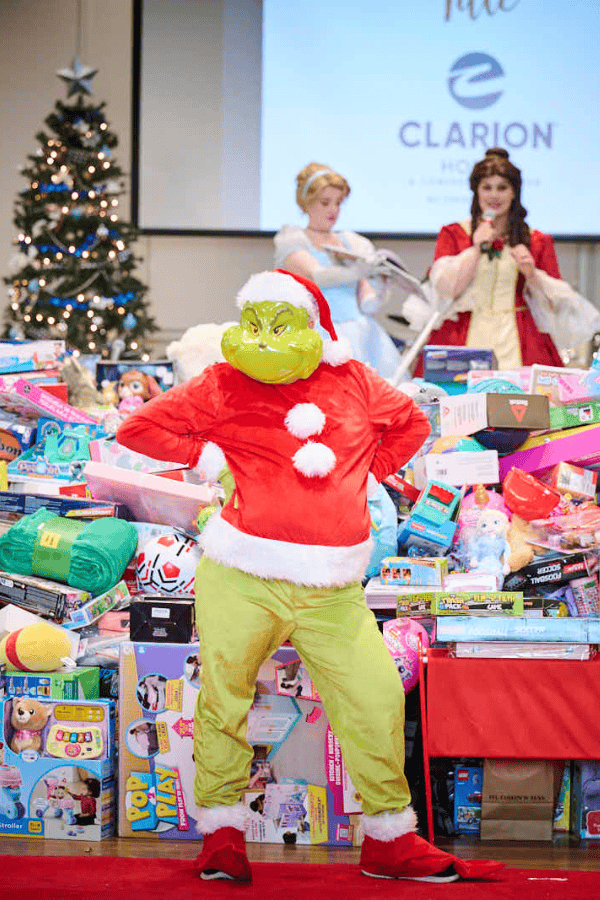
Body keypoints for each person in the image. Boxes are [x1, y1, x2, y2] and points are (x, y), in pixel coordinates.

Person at [116, 269, 502, 885]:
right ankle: (222, 835)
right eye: (257, 322)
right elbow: (137, 428)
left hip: (333, 586)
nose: (267, 338)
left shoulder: (352, 377)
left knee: (374, 698)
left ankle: (389, 839)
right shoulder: (222, 380)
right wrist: (210, 456)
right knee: (224, 700)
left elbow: (411, 422)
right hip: (242, 572)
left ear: (315, 326)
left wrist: (364, 472)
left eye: (283, 322)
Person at [410, 148, 566, 375]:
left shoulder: (537, 240)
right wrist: (475, 248)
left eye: (502, 188)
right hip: (462, 334)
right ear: (477, 191)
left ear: (514, 192)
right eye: (487, 187)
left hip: (521, 339)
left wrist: (531, 274)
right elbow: (445, 290)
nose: (494, 195)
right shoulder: (454, 233)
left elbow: (555, 306)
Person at [274, 162, 402, 378]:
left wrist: (380, 283)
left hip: (360, 335)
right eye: (325, 202)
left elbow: (368, 302)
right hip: (317, 333)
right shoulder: (294, 240)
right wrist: (362, 270)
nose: (333, 210)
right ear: (306, 204)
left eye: (338, 203)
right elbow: (318, 276)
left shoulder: (352, 242)